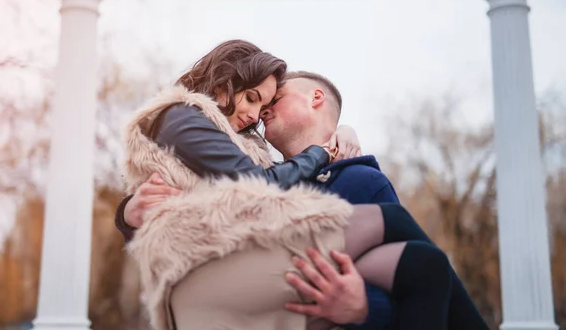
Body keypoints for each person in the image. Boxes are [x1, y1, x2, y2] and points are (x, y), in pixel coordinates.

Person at [117, 40, 462, 330]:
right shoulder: (185, 117)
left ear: (315, 100)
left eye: (268, 103)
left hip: (250, 268)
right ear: (224, 84)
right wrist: (323, 151)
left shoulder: (357, 179)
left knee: (426, 264)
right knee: (398, 226)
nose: (258, 115)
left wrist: (364, 308)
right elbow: (249, 185)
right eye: (253, 98)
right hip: (211, 272)